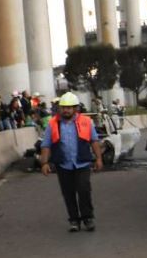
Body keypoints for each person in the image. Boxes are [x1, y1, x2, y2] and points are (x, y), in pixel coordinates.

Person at [39, 91, 103, 231]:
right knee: (68, 193)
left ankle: (87, 218)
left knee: (84, 190)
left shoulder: (86, 121)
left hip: (82, 163)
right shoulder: (53, 123)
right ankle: (74, 220)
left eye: (69, 107)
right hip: (63, 164)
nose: (65, 110)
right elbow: (46, 144)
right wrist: (44, 163)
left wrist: (98, 159)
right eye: (63, 107)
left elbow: (94, 141)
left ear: (75, 108)